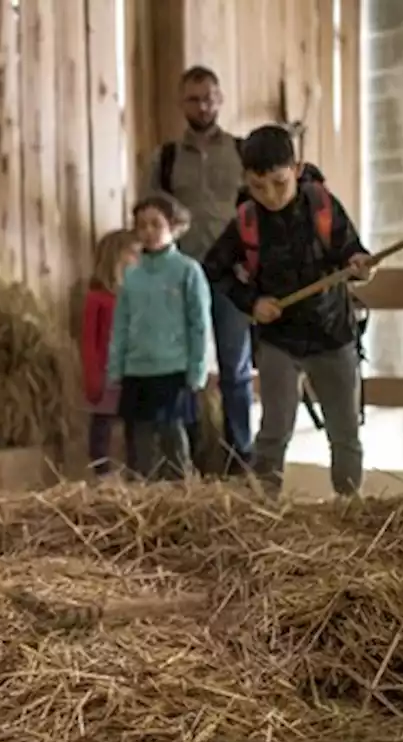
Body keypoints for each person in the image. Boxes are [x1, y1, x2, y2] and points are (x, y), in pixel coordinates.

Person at [202, 125, 373, 499]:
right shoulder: (246, 220)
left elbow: (351, 251)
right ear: (247, 180)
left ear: (295, 169)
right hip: (280, 341)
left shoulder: (323, 206)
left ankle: (349, 507)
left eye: (279, 183)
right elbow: (213, 267)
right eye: (258, 186)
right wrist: (252, 303)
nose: (271, 196)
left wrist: (360, 264)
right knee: (274, 430)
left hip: (333, 334)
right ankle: (264, 506)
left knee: (344, 431)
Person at [145, 65, 253, 473]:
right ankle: (187, 458)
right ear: (181, 103)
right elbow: (149, 215)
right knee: (180, 368)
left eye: (209, 97)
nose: (203, 105)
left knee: (236, 370)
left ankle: (241, 459)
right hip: (181, 276)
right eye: (193, 98)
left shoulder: (242, 152)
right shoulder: (166, 158)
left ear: (220, 100)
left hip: (232, 277)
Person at [106, 193, 211, 480]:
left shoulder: (188, 271)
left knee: (173, 440)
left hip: (173, 370)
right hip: (137, 370)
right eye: (142, 226)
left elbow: (199, 323)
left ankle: (182, 496)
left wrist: (197, 370)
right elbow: (121, 323)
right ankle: (143, 498)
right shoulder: (132, 275)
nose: (149, 232)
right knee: (139, 444)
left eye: (156, 224)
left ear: (173, 226)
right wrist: (116, 366)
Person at [81, 229, 141, 476]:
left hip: (134, 371)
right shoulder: (97, 298)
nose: (138, 258)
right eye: (134, 253)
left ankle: (137, 473)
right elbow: (88, 341)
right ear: (116, 256)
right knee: (102, 425)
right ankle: (101, 473)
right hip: (107, 374)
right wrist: (93, 376)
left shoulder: (137, 296)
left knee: (135, 428)